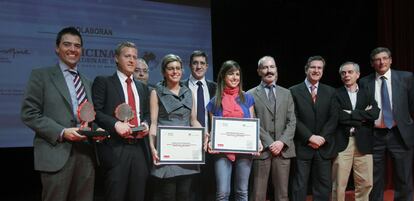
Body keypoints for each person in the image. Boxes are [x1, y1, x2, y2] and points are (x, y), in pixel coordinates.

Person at [21, 27, 100, 201]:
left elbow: (89, 116)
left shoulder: (88, 82)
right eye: (67, 44)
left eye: (77, 46)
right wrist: (62, 132)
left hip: (86, 156)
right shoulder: (41, 75)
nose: (73, 49)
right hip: (56, 153)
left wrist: (98, 130)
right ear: (57, 48)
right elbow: (29, 113)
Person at [92, 41, 151, 201]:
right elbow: (95, 112)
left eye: (134, 57)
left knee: (138, 196)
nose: (132, 60)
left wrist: (146, 124)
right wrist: (116, 124)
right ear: (116, 58)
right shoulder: (103, 81)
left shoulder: (142, 88)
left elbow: (146, 113)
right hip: (116, 148)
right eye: (127, 56)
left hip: (139, 148)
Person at [359, 47, 414, 201]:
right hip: (374, 135)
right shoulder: (364, 82)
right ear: (372, 63)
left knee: (403, 176)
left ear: (390, 60)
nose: (381, 62)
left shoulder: (406, 78)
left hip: (399, 133)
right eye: (377, 59)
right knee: (374, 178)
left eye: (384, 58)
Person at [149, 54, 203, 201]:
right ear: (164, 72)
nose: (175, 72)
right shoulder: (156, 92)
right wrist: (153, 148)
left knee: (184, 194)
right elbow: (153, 124)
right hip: (167, 150)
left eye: (178, 68)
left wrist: (204, 134)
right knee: (168, 194)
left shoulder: (188, 92)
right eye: (171, 68)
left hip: (185, 151)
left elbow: (193, 120)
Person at [206, 60, 260, 201]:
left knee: (242, 191)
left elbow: (252, 124)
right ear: (223, 76)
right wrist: (211, 141)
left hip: (244, 150)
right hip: (222, 151)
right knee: (223, 193)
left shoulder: (247, 98)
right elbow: (213, 129)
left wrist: (257, 141)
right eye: (231, 74)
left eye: (237, 74)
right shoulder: (214, 101)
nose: (235, 77)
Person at [247, 56, 296, 201]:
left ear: (276, 69)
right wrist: (270, 142)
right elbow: (252, 122)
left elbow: (292, 121)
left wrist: (281, 142)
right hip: (262, 150)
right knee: (258, 194)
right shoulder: (250, 94)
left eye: (272, 67)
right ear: (259, 71)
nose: (269, 70)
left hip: (283, 150)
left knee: (282, 195)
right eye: (265, 67)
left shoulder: (286, 93)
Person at [289, 55, 338, 201]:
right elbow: (293, 118)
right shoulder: (293, 91)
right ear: (306, 70)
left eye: (319, 68)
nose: (316, 70)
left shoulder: (330, 91)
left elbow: (333, 118)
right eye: (313, 67)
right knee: (299, 186)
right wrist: (310, 137)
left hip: (323, 147)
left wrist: (321, 138)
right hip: (302, 146)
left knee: (323, 187)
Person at [332, 62, 379, 201]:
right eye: (343, 73)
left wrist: (350, 114)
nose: (346, 75)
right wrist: (362, 115)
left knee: (366, 182)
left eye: (350, 72)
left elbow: (375, 114)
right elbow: (338, 117)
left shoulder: (367, 92)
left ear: (357, 75)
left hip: (364, 142)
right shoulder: (335, 93)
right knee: (339, 183)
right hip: (342, 142)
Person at [183, 50, 217, 201]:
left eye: (202, 63)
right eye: (195, 63)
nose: (198, 66)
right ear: (190, 65)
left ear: (207, 66)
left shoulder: (215, 88)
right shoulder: (180, 86)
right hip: (187, 144)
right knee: (189, 189)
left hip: (210, 145)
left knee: (209, 188)